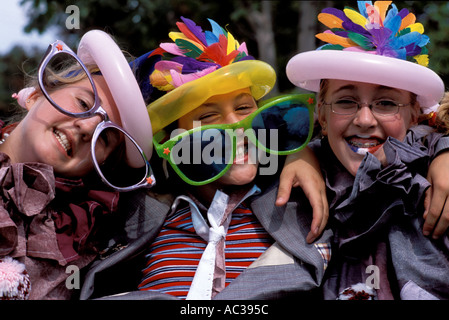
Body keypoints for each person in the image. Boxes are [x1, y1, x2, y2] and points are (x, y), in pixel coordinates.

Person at [80, 17, 332, 300]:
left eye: (245, 108)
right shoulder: (132, 214)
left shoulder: (300, 198)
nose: (237, 126)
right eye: (209, 117)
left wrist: (305, 153)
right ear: (169, 141)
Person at [285, 1, 449, 299]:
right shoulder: (287, 194)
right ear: (321, 114)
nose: (364, 120)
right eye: (346, 101)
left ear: (414, 114)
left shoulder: (435, 189)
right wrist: (298, 153)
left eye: (386, 103)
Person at [0, 30, 155, 299]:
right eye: (83, 102)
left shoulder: (77, 242)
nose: (86, 127)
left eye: (105, 136)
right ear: (37, 94)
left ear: (97, 166)